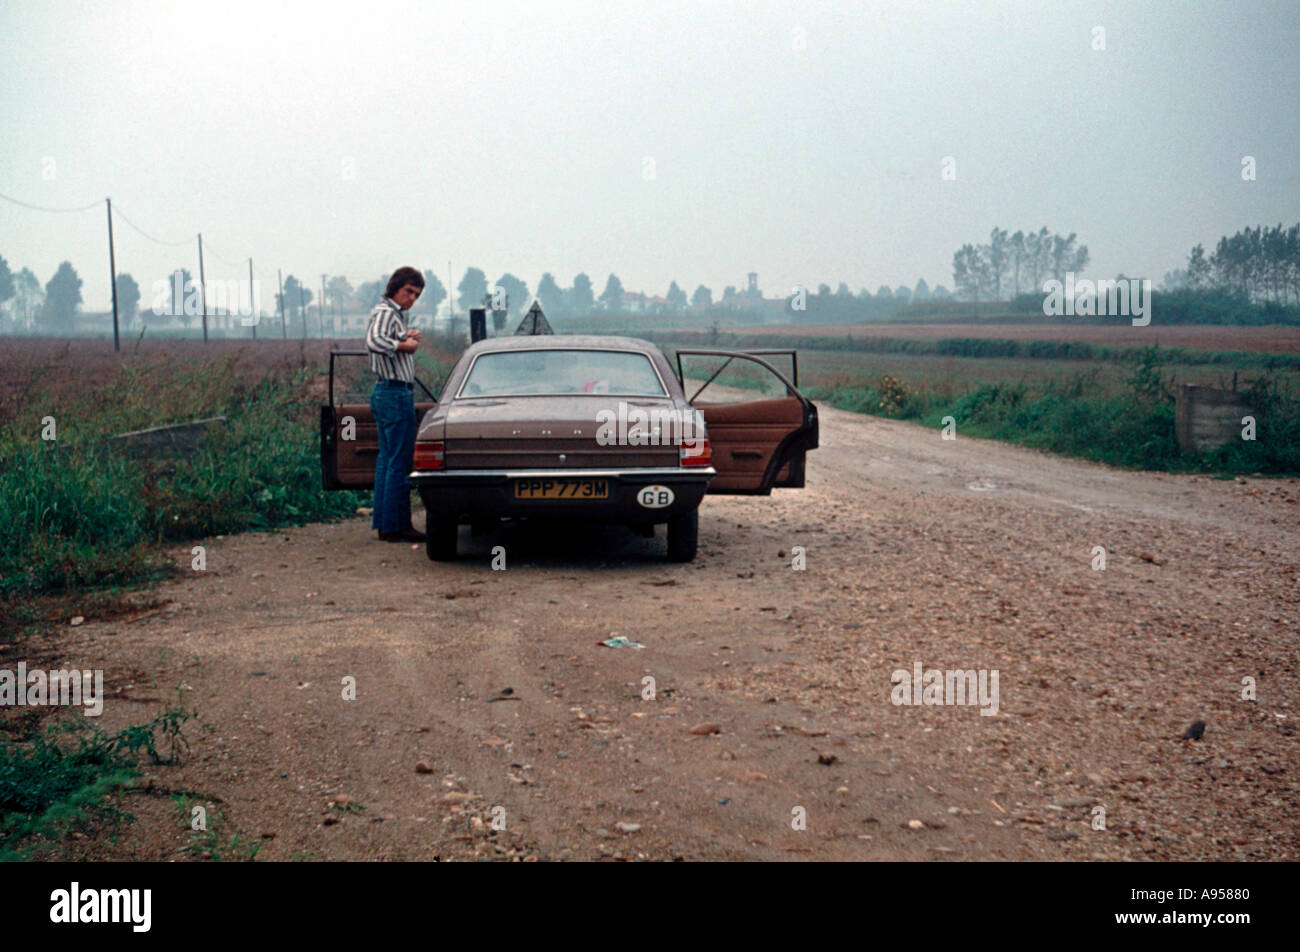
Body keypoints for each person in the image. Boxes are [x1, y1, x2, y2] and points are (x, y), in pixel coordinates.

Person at [366, 267, 426, 542]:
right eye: (408, 291)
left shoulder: (391, 315)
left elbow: (384, 338)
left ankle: (386, 524)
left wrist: (405, 335)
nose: (412, 298)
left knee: (387, 461)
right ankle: (397, 526)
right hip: (394, 393)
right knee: (399, 462)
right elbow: (375, 341)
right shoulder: (386, 312)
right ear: (395, 288)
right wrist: (406, 345)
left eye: (416, 294)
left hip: (387, 392)